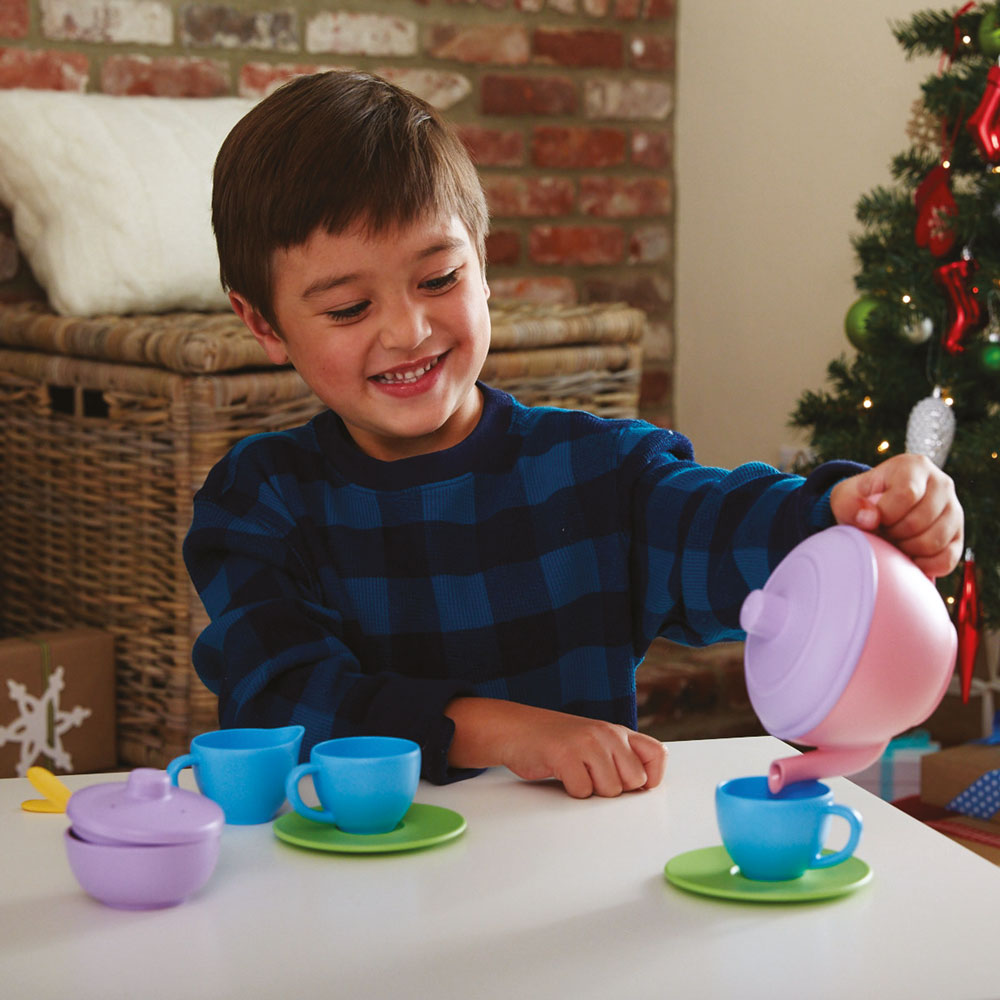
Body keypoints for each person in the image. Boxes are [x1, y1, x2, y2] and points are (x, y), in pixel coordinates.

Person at [184, 70, 964, 800]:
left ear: (481, 264)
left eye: (439, 279)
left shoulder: (594, 468)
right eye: (349, 308)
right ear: (263, 322)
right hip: (349, 883)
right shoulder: (260, 500)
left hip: (571, 875)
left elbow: (728, 531)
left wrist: (846, 510)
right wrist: (502, 733)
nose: (408, 330)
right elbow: (279, 696)